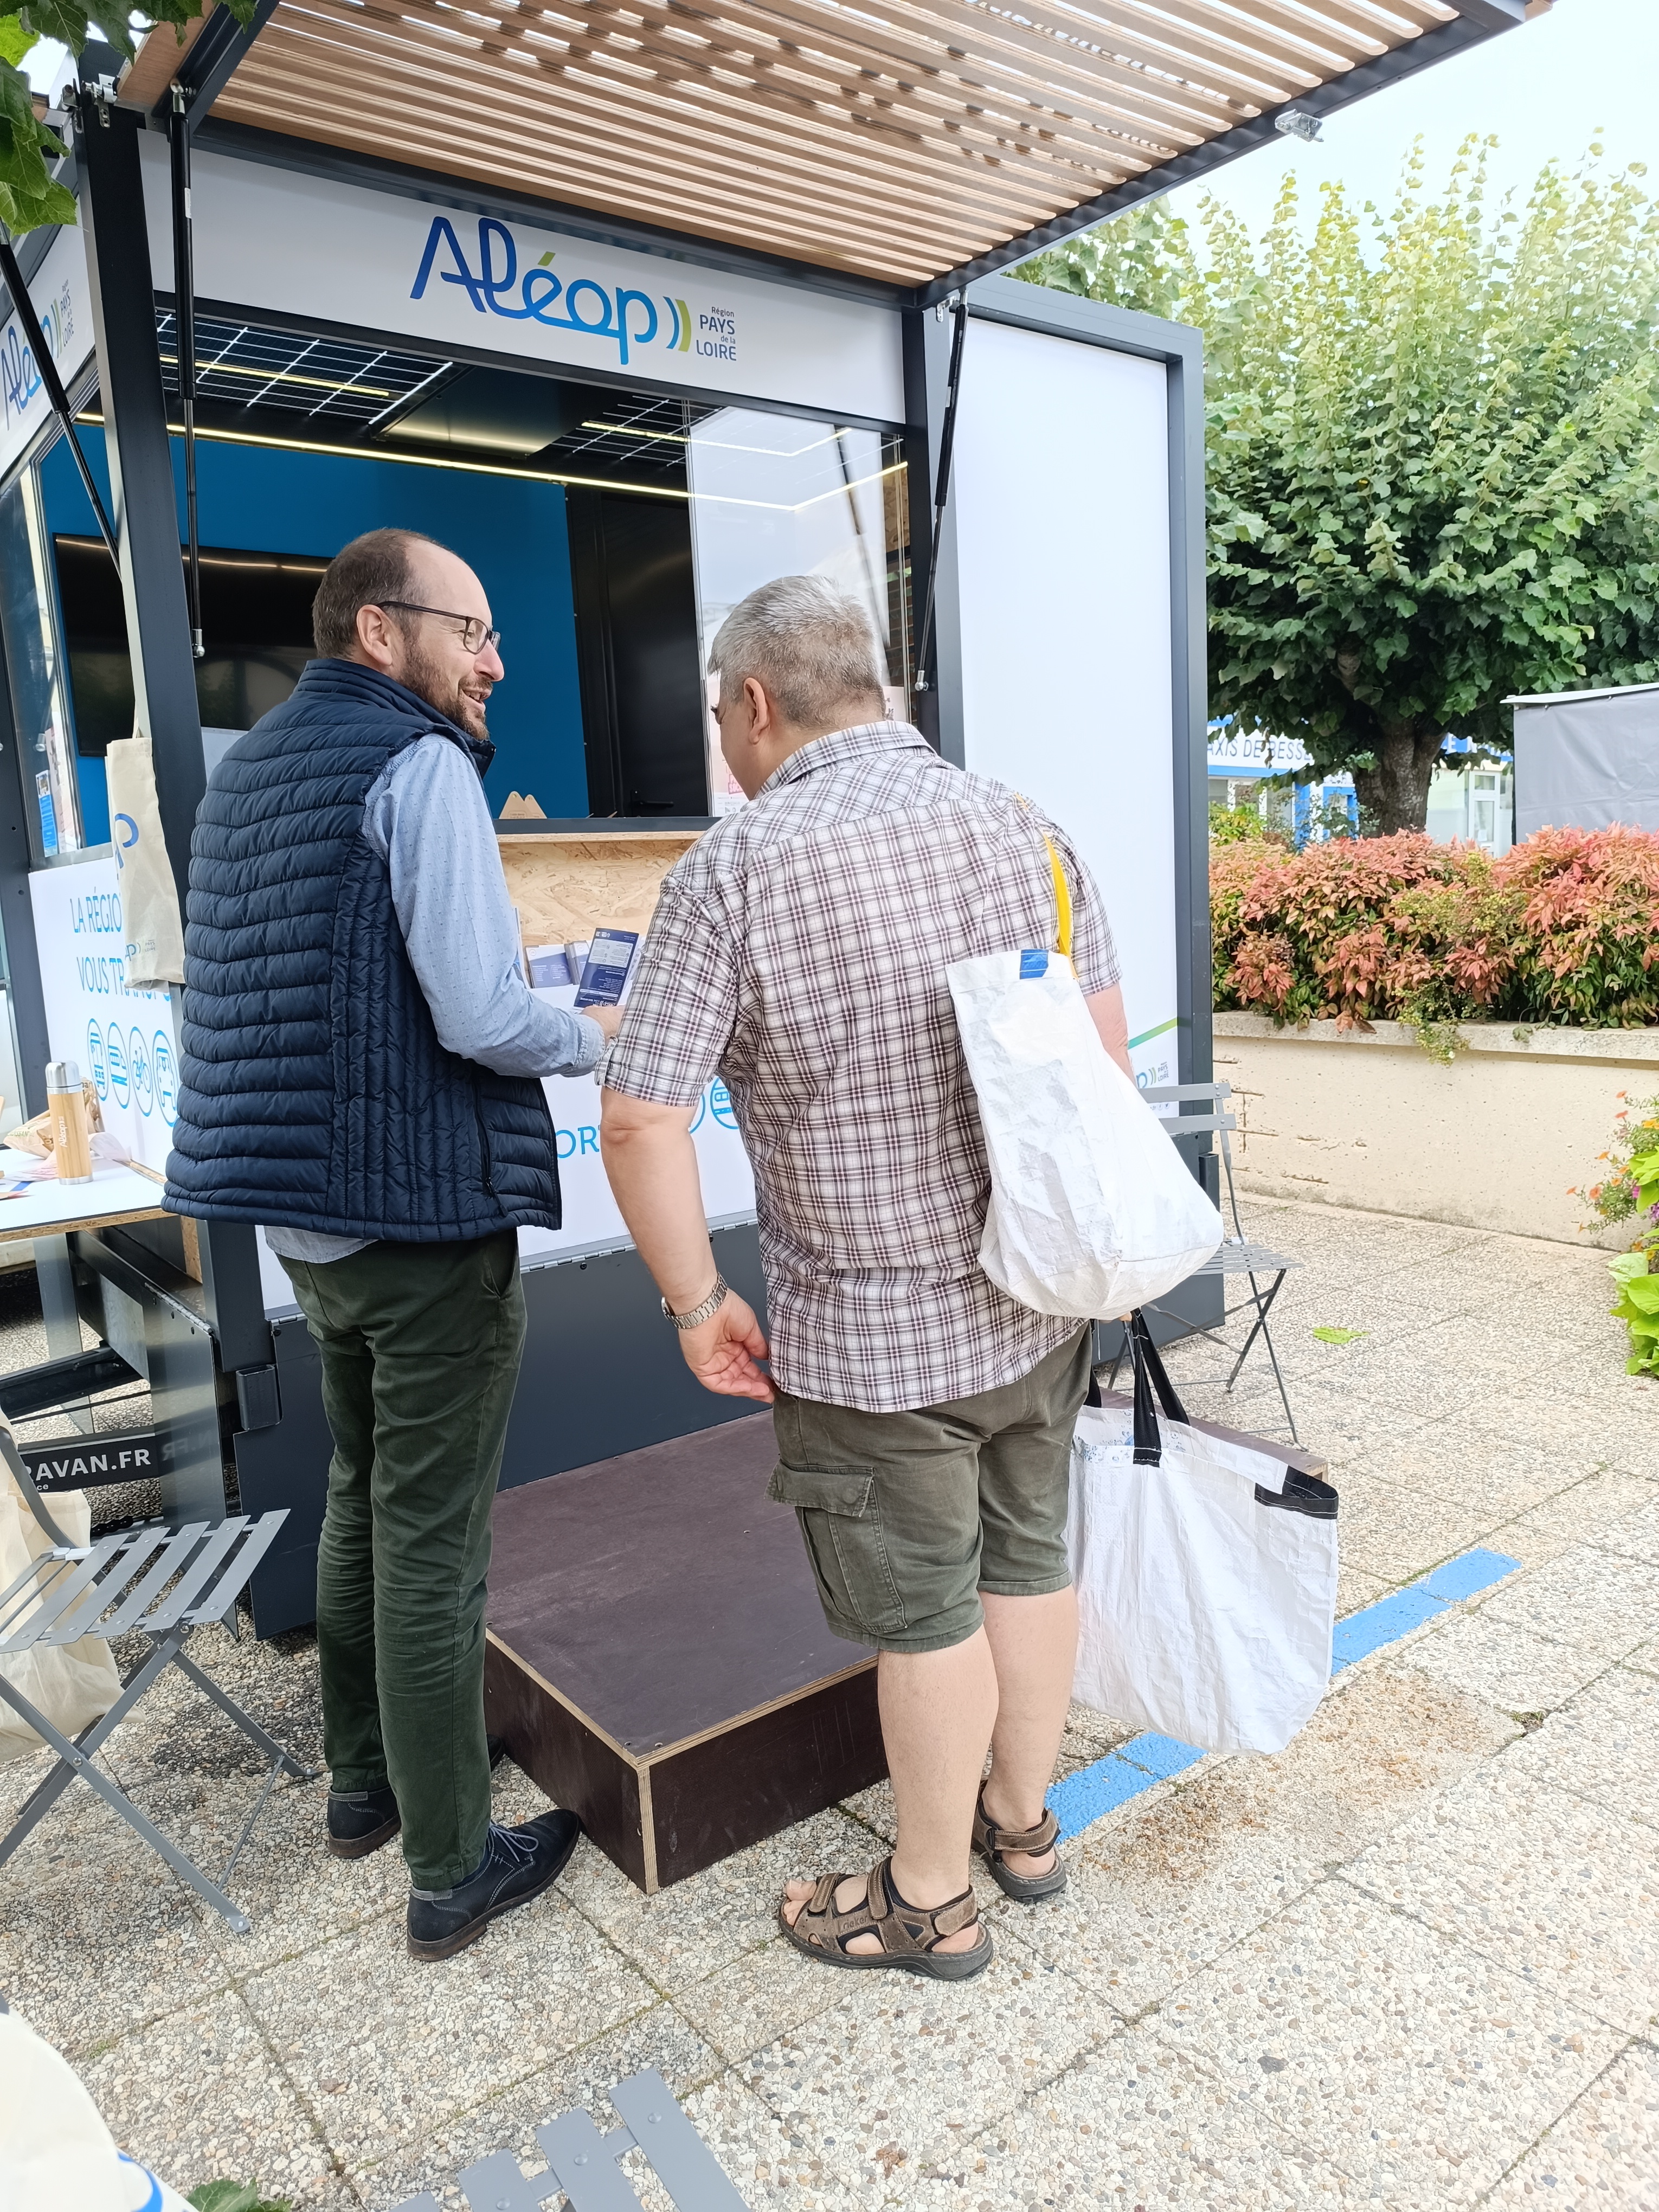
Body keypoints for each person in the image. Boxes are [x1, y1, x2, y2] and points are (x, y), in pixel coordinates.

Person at [600, 574, 1130, 1982]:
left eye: (721, 714)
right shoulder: (1030, 830)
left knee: (925, 1616)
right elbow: (1103, 1076)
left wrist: (695, 1301)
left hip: (871, 1341)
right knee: (1028, 1563)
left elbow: (641, 1115)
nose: (725, 741)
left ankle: (927, 1895)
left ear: (757, 704)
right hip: (1036, 1305)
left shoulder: (733, 869)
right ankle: (1022, 1828)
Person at [165, 529, 619, 1960]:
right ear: (379, 630)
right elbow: (483, 1014)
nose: (493, 660)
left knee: (364, 1496)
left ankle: (365, 1783)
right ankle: (447, 1863)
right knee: (433, 1540)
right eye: (471, 631)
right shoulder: (414, 766)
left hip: (308, 1220)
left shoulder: (250, 770)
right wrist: (596, 1033)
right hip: (420, 1219)